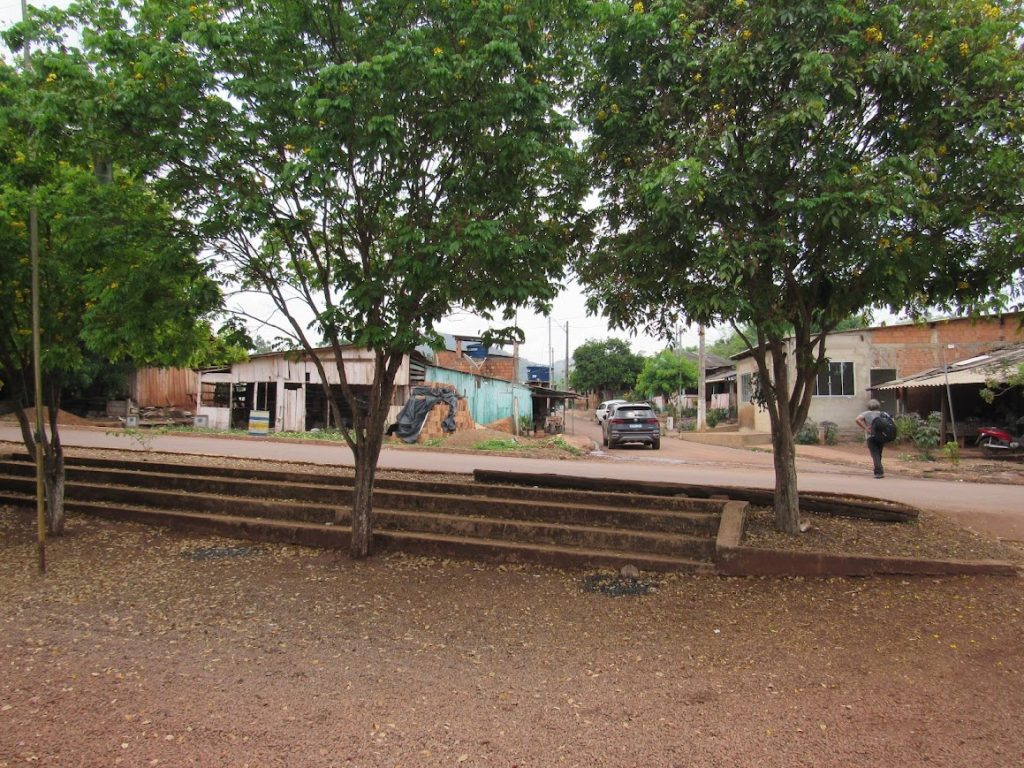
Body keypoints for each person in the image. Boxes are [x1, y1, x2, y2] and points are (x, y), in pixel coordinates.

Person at [855, 399, 885, 479]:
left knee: (875, 454)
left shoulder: (866, 413)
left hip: (870, 436)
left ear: (868, 406)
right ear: (878, 406)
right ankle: (879, 469)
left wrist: (865, 428)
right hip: (881, 436)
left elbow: (857, 419)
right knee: (878, 453)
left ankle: (879, 472)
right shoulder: (882, 414)